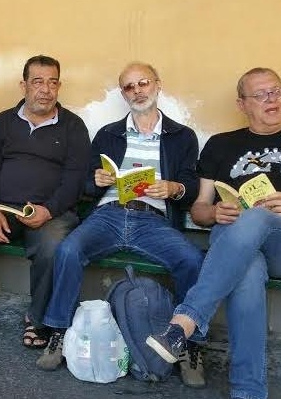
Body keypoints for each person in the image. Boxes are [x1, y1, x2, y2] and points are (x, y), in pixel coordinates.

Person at [146, 68, 281, 399]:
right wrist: (214, 212)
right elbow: (199, 210)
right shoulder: (220, 145)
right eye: (261, 95)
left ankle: (185, 321)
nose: (272, 100)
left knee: (257, 217)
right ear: (241, 104)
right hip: (237, 247)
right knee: (247, 268)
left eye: (277, 91)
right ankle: (249, 392)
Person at [33, 62, 206, 386]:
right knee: (68, 250)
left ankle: (188, 345)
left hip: (152, 219)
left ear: (157, 85)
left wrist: (173, 188)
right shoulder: (108, 134)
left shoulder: (181, 137)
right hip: (109, 214)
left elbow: (191, 186)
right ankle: (57, 332)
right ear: (123, 93)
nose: (137, 91)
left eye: (143, 83)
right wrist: (96, 180)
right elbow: (85, 184)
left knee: (193, 261)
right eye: (129, 86)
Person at [0, 55, 91, 344]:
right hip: (3, 207)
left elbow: (76, 179)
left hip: (52, 211)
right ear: (23, 85)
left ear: (59, 86)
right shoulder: (3, 122)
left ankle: (37, 318)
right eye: (38, 82)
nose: (45, 89)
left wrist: (48, 210)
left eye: (52, 82)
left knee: (51, 248)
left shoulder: (73, 127)